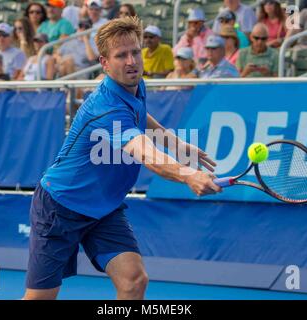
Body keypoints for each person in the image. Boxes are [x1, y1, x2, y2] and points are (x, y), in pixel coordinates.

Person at [22, 16, 221, 300]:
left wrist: (174, 143)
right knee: (40, 298)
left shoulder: (136, 84)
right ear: (104, 63)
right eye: (121, 56)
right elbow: (145, 153)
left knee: (134, 281)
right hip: (60, 208)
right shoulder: (105, 108)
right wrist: (187, 173)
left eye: (135, 52)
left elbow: (140, 115)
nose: (131, 61)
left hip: (103, 209)